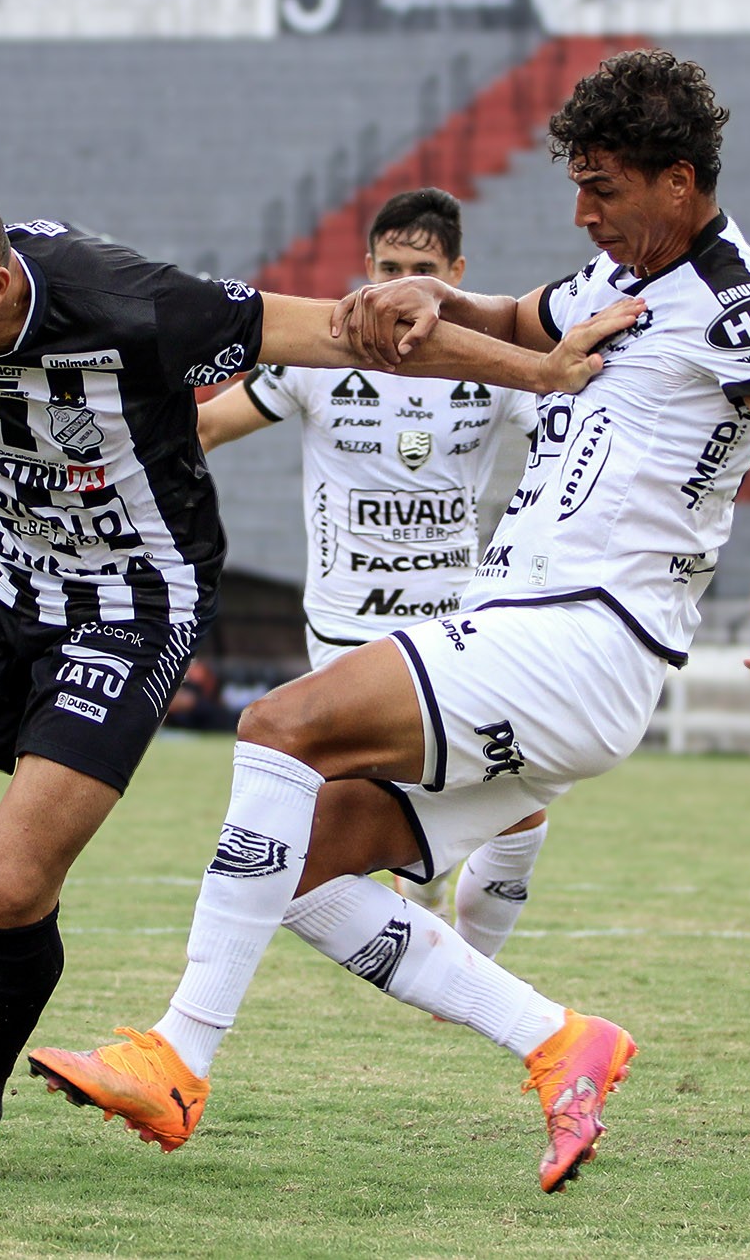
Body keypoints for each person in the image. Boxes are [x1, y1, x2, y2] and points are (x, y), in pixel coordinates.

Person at [28, 49, 750, 1193]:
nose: (583, 213)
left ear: (679, 182)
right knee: (307, 871)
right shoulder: (618, 279)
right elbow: (517, 314)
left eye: (604, 188)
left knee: (279, 726)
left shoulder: (732, 302)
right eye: (575, 187)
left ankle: (177, 1057)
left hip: (578, 632)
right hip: (542, 640)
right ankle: (559, 1041)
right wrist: (439, 299)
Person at [0, 181, 637, 1182]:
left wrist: (537, 373)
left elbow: (347, 334)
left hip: (127, 602)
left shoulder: (137, 306)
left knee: (13, 882)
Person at [197, 187, 549, 956]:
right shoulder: (319, 354)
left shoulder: (490, 368)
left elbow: (566, 430)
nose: (396, 285)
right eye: (386, 266)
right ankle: (428, 918)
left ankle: (469, 967)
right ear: (366, 266)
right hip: (347, 626)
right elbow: (209, 425)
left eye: (418, 268)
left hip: (455, 624)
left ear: (453, 272)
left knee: (519, 807)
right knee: (357, 819)